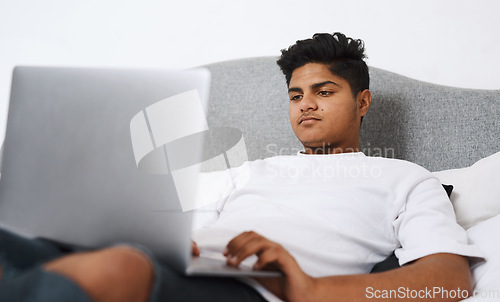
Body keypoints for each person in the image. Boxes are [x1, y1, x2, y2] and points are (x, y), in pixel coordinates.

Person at [0, 32, 482, 302]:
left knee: (117, 269)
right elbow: (183, 233)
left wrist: (314, 291)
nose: (305, 105)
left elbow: (448, 280)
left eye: (323, 91)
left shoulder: (405, 178)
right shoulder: (250, 171)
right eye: (295, 95)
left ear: (363, 101)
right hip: (188, 266)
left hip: (254, 293)